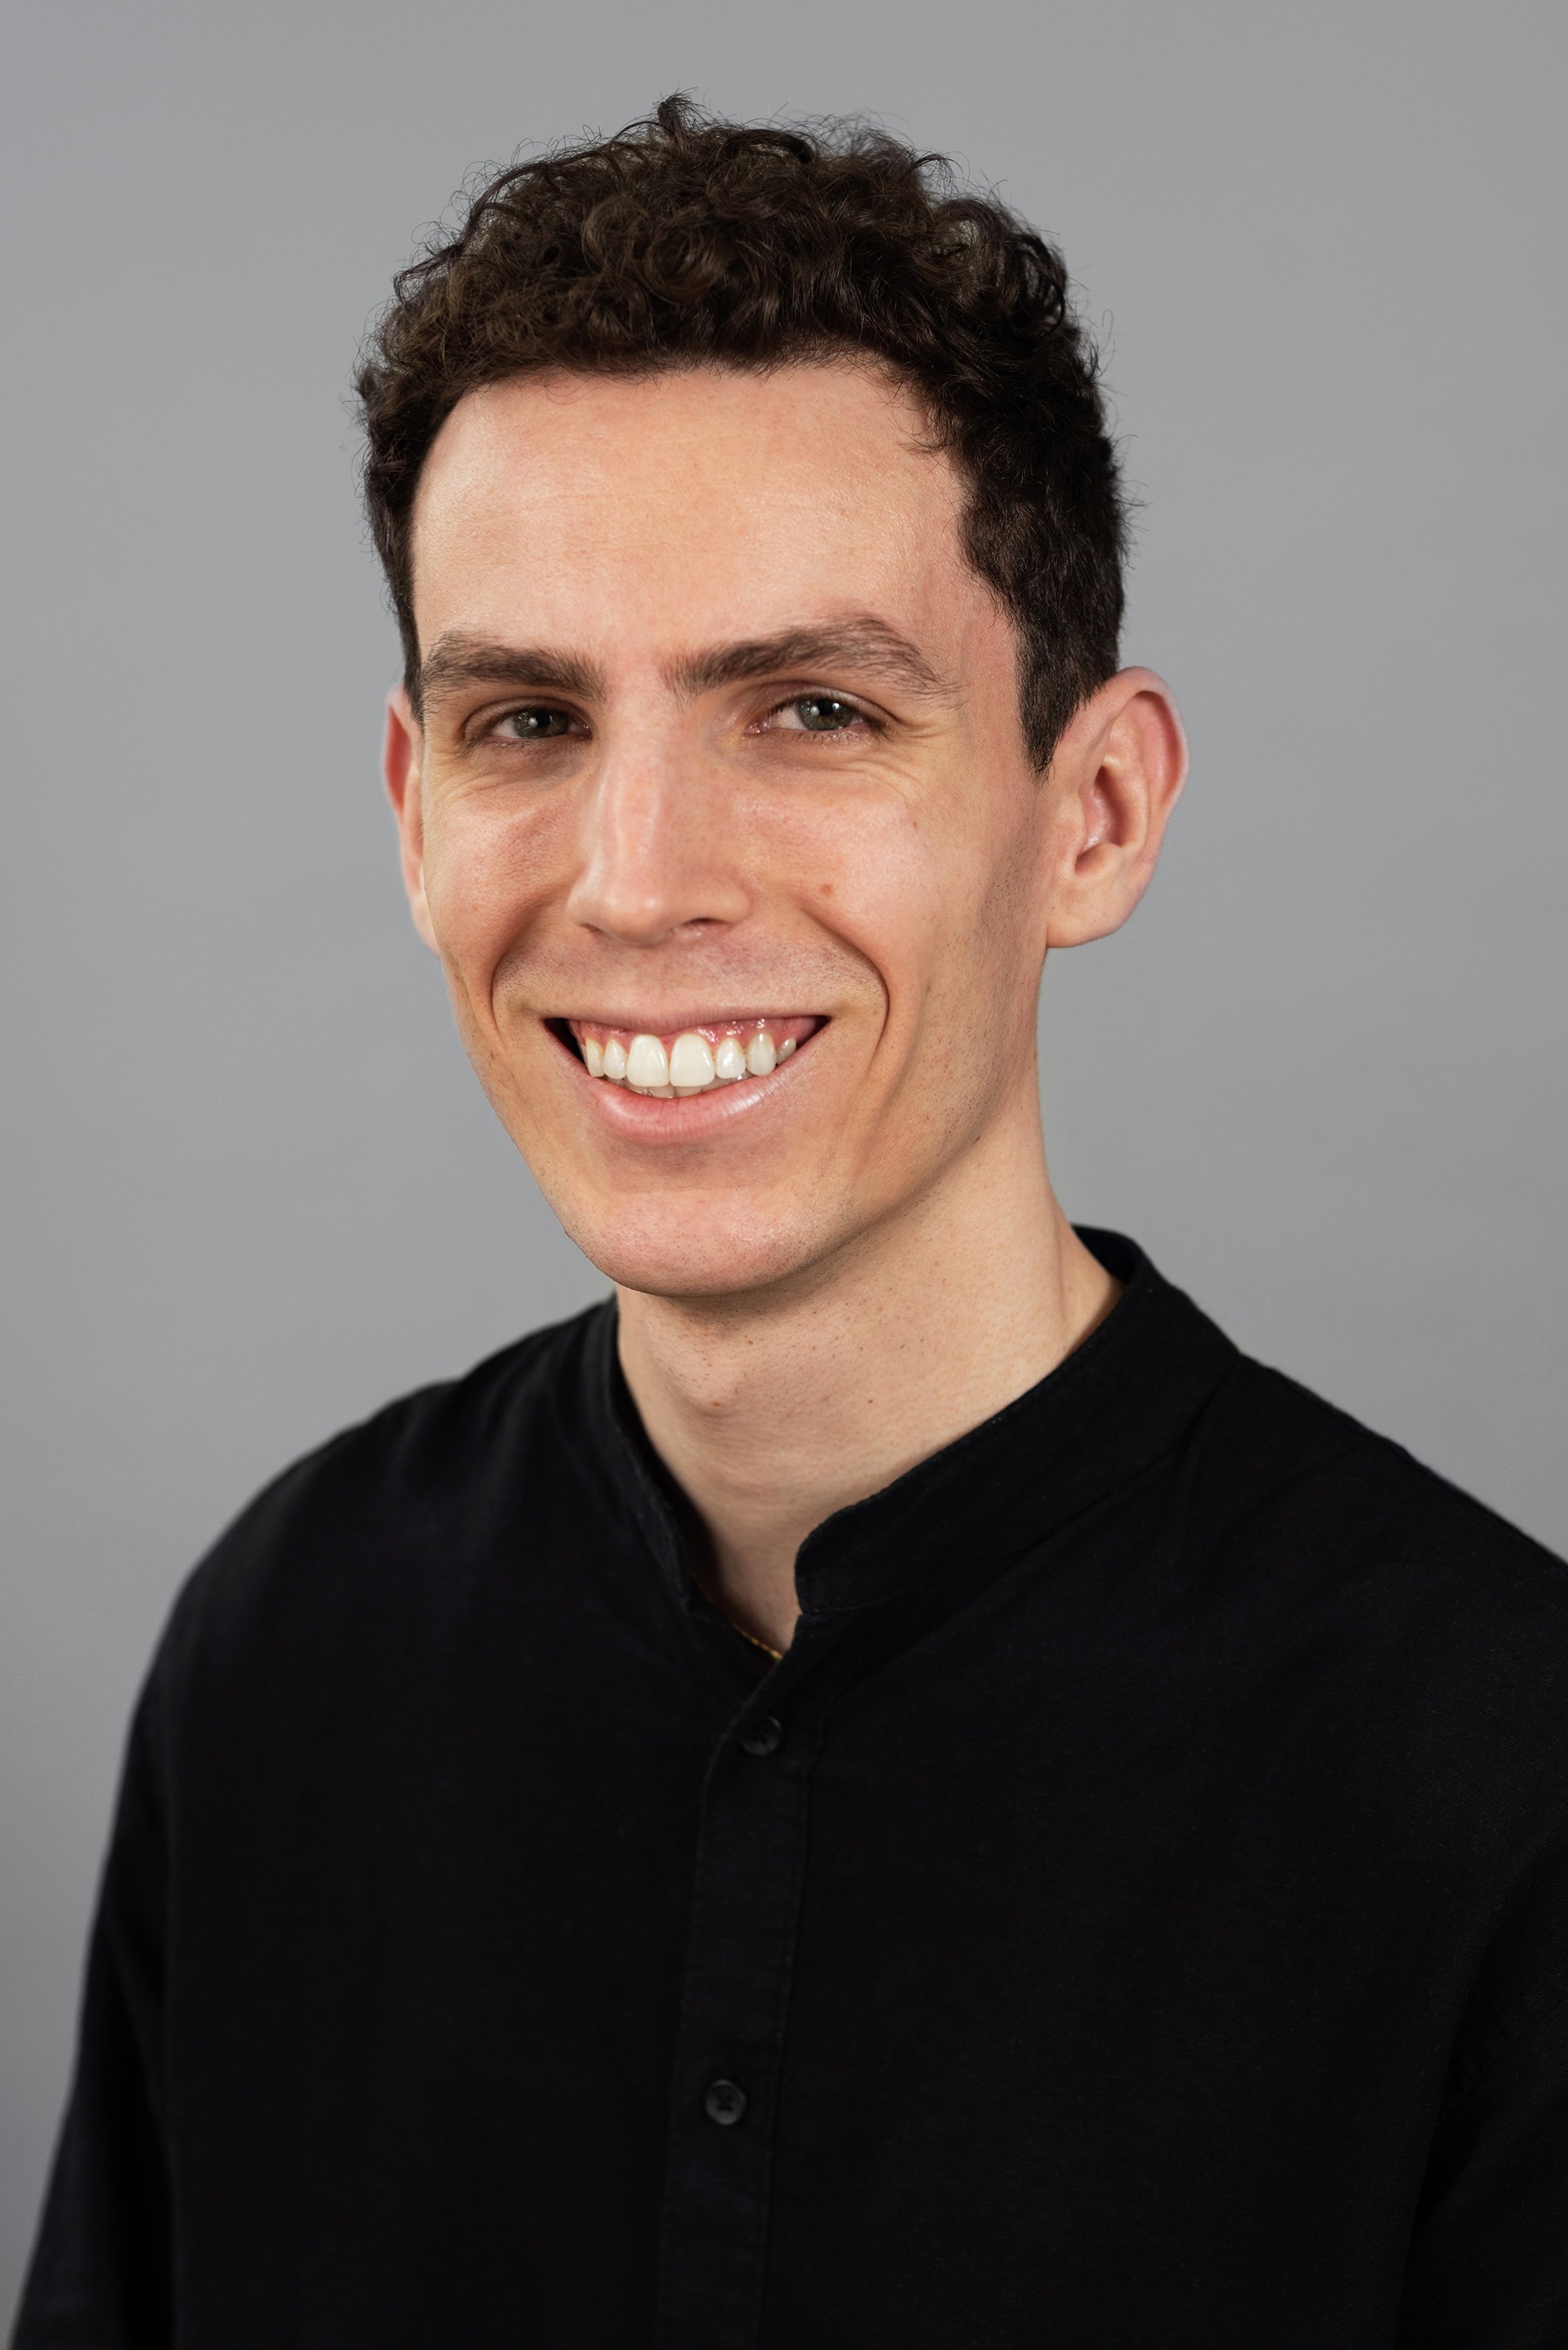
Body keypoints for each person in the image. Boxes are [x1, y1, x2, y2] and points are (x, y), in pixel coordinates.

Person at [16, 95, 1568, 2350]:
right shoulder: (283, 1649)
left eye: (812, 708)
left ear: (1095, 813)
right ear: (410, 808)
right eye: (528, 717)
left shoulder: (1495, 1779)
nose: (637, 876)